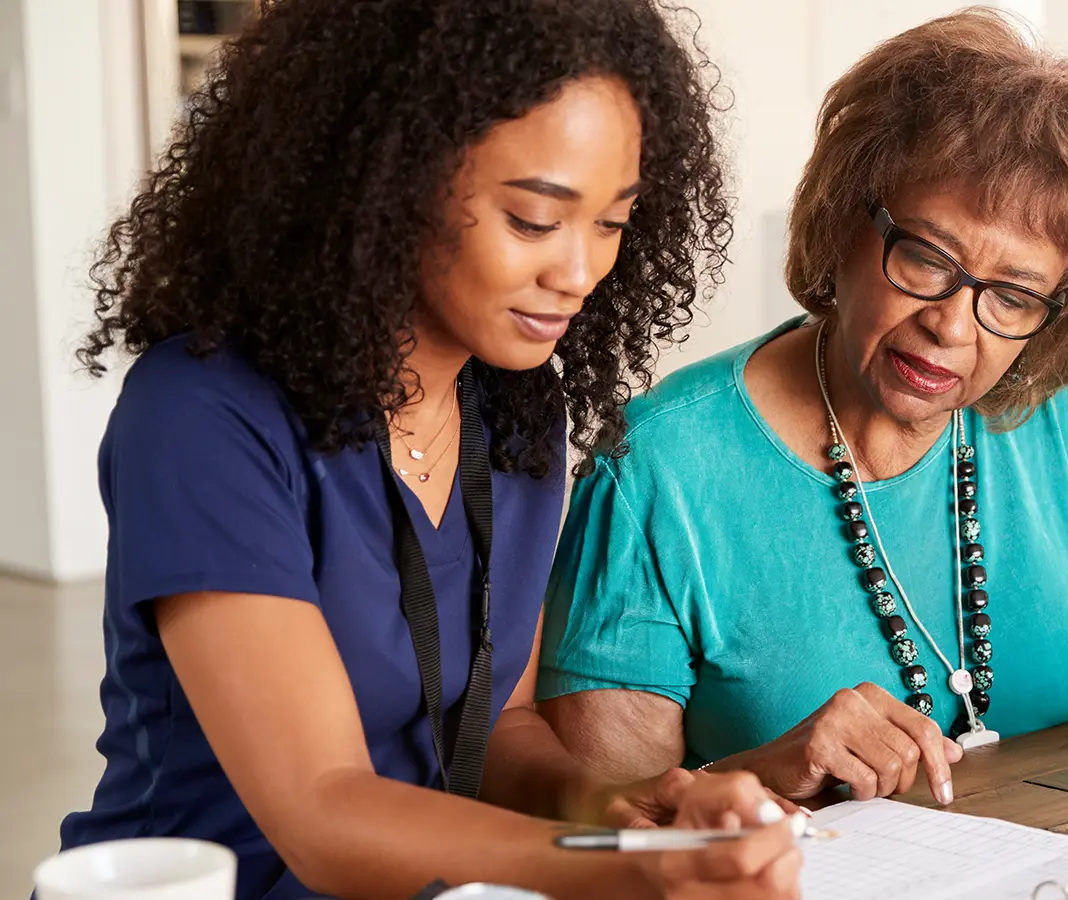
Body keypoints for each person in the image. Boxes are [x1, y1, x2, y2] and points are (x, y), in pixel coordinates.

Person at [535, 8, 1068, 809]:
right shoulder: (660, 469)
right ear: (842, 223)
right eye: (927, 259)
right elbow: (607, 826)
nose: (951, 324)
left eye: (1012, 296)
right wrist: (764, 774)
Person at [56, 2, 798, 898]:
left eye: (612, 223)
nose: (578, 272)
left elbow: (498, 727)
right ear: (387, 177)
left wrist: (621, 814)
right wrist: (615, 870)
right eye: (533, 219)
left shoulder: (520, 409)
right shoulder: (201, 416)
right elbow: (324, 811)